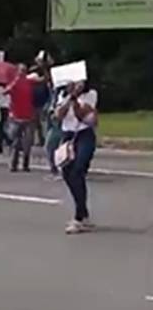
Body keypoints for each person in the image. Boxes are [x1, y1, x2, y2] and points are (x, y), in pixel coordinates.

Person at [54, 81, 98, 234]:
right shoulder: (63, 95)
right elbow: (59, 115)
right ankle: (83, 213)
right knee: (67, 173)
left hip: (84, 135)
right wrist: (69, 98)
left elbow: (83, 116)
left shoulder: (90, 94)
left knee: (78, 171)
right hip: (68, 135)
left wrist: (75, 99)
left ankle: (79, 218)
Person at [4, 65, 36, 172]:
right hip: (17, 117)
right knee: (16, 142)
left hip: (26, 116)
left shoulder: (28, 81)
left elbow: (43, 80)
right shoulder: (16, 83)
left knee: (26, 142)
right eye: (21, 70)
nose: (22, 72)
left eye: (24, 70)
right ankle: (14, 164)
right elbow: (6, 91)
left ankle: (24, 165)